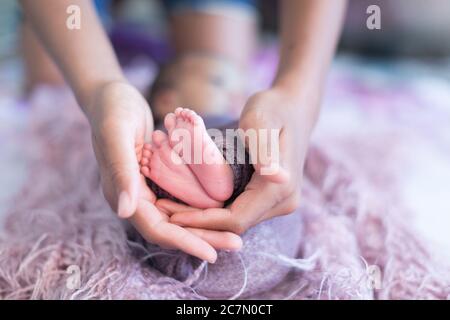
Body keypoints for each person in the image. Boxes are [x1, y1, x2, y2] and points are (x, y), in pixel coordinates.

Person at [19, 0, 347, 264]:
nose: (238, 94)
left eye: (238, 87)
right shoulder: (173, 123)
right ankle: (195, 174)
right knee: (53, 83)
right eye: (220, 83)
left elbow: (287, 93)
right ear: (165, 99)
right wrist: (99, 87)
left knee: (219, 56)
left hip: (194, 150)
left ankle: (188, 177)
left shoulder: (219, 121)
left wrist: (297, 96)